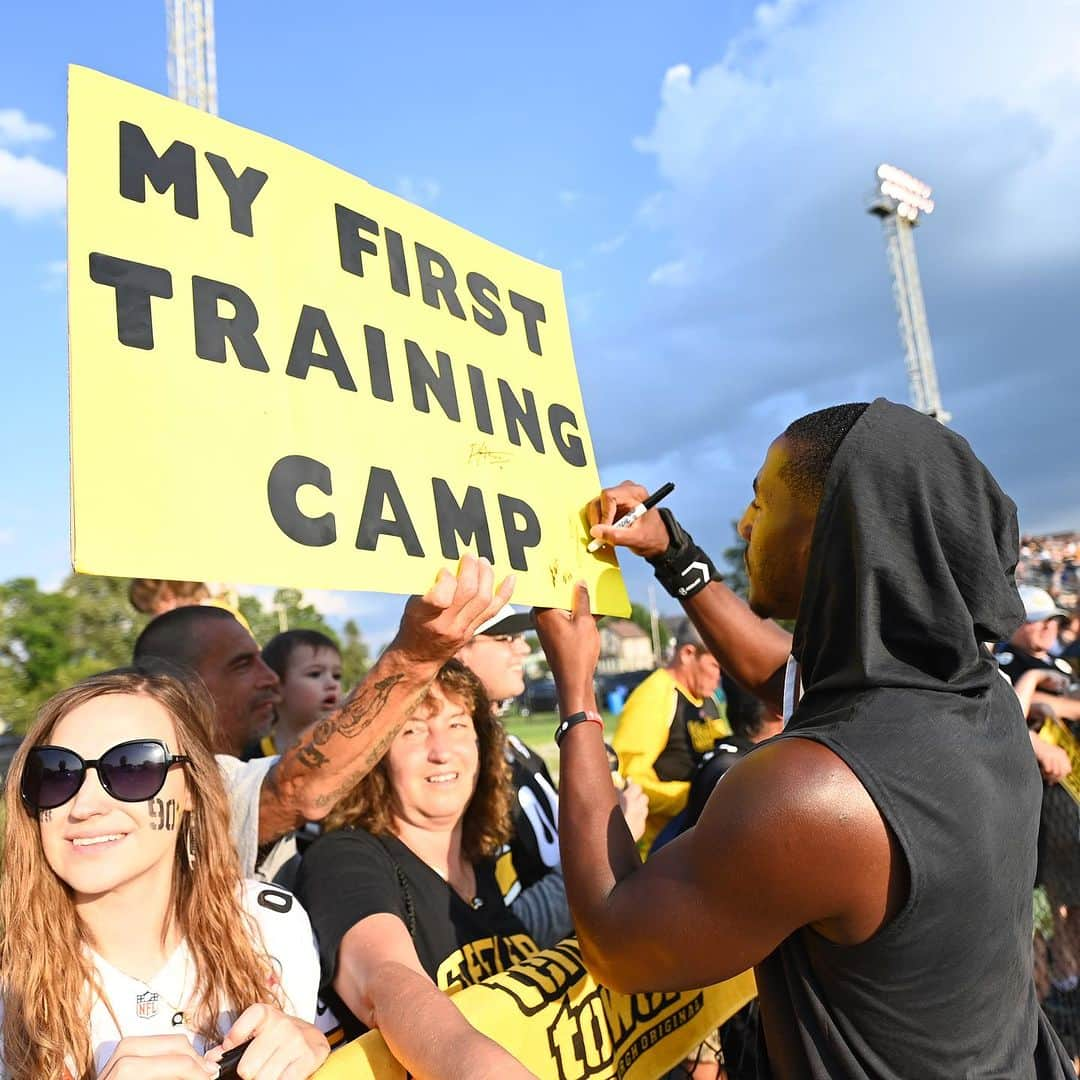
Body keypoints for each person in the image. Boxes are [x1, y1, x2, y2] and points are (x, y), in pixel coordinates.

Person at [536, 399, 1072, 1076]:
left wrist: (577, 696)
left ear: (831, 534)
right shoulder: (978, 698)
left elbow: (615, 940)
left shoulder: (811, 792)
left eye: (762, 500)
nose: (745, 522)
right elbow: (781, 671)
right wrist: (675, 553)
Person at [0, 663, 328, 1080]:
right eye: (56, 773)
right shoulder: (9, 979)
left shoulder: (268, 927)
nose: (83, 807)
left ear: (192, 788)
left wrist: (313, 1046)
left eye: (132, 768)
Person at [133, 554, 516, 880]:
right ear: (183, 685)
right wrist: (417, 655)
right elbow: (297, 788)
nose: (270, 679)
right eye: (242, 665)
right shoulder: (167, 788)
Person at [296, 660, 537, 1078]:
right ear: (377, 755)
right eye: (412, 730)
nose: (441, 750)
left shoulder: (482, 858)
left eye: (458, 725)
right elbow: (386, 985)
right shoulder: (345, 858)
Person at [455, 604, 648, 945]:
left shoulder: (516, 750)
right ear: (457, 651)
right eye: (505, 638)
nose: (525, 648)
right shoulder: (455, 772)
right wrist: (610, 845)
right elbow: (509, 927)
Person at [612, 617, 723, 850]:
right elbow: (629, 778)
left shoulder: (707, 698)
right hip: (662, 849)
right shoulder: (653, 697)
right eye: (715, 664)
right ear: (688, 653)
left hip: (699, 837)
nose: (719, 675)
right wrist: (695, 797)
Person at [257, 629, 344, 758]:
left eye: (336, 676)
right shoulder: (247, 763)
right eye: (315, 674)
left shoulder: (347, 751)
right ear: (276, 689)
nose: (332, 684)